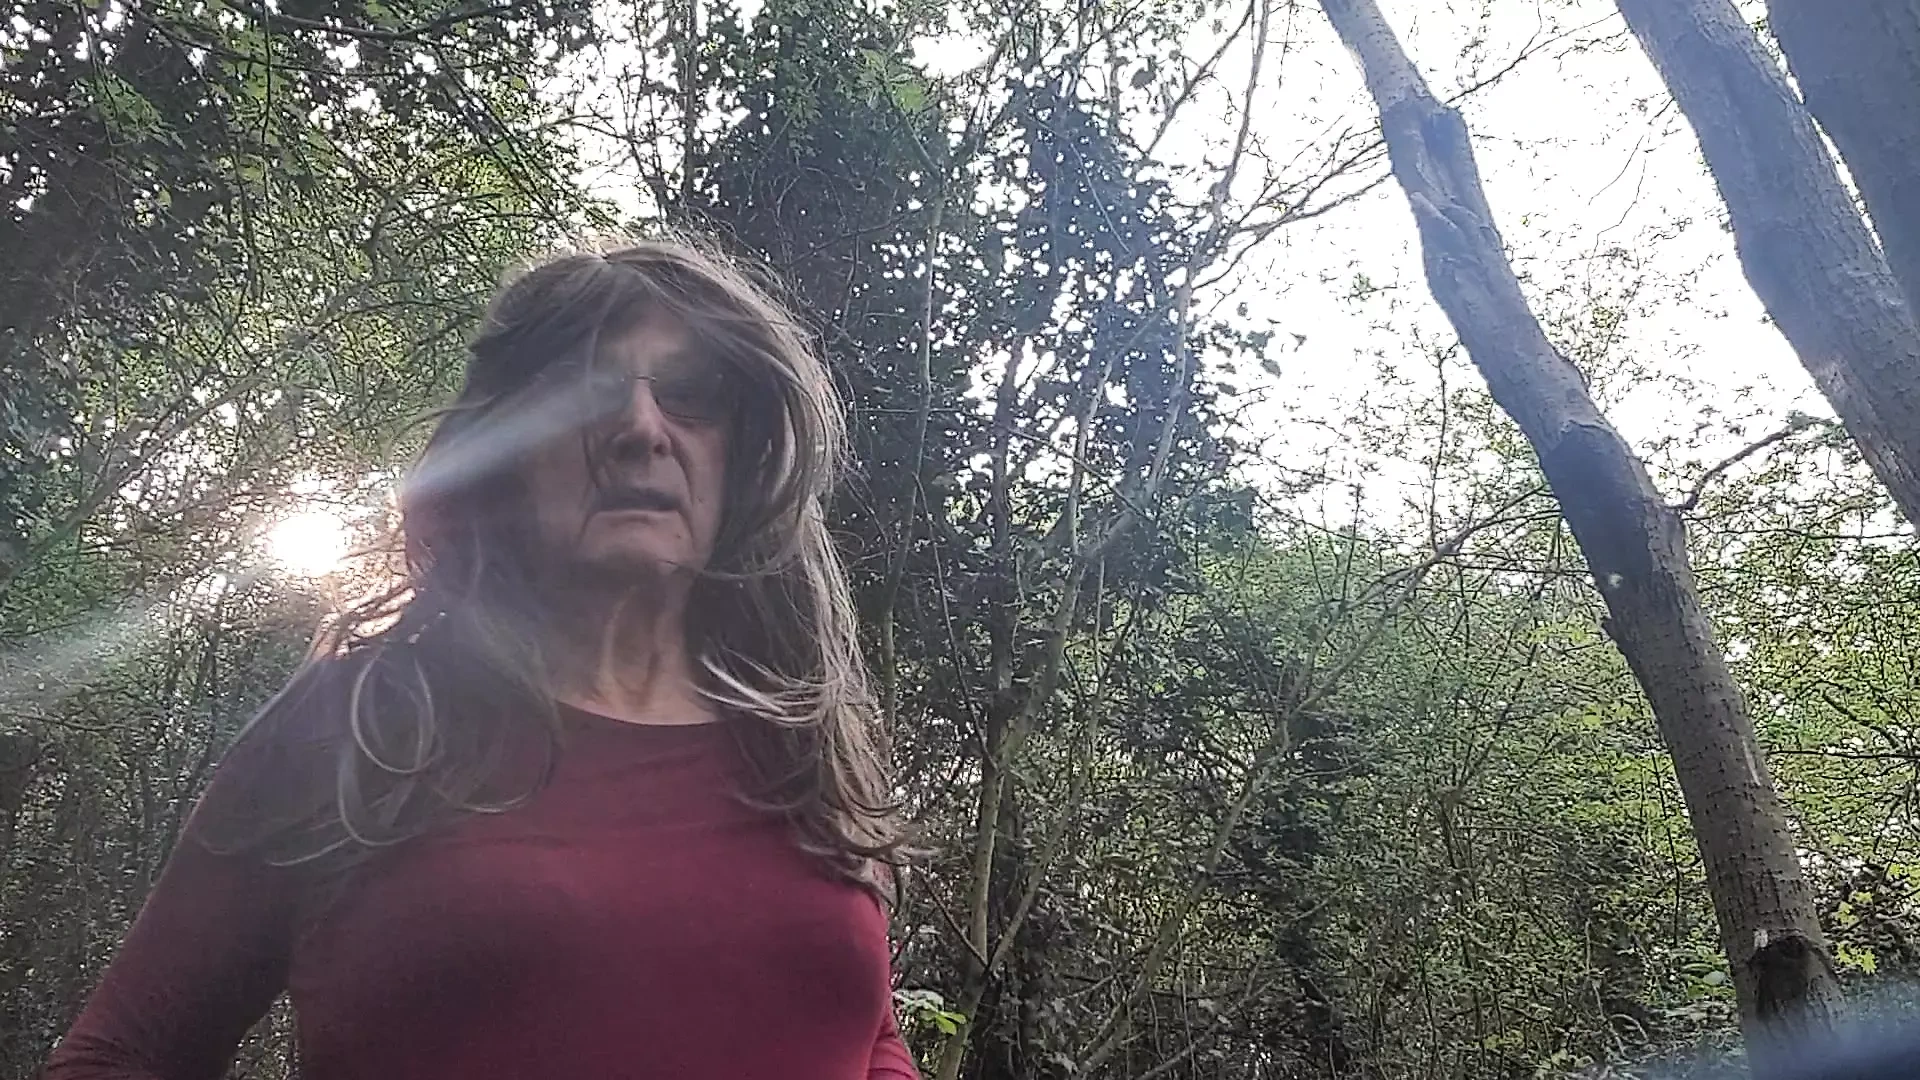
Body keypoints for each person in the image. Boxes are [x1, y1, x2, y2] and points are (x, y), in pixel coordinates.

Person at [43, 238, 920, 1079]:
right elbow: (122, 1056)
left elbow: (864, 1034)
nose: (641, 427)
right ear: (505, 455)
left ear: (744, 455)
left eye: (691, 394)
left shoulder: (806, 741)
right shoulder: (363, 727)